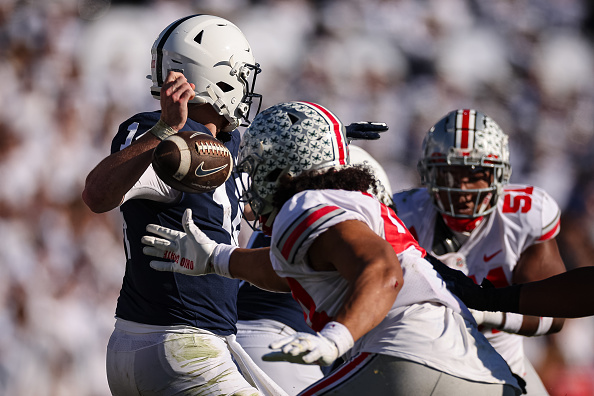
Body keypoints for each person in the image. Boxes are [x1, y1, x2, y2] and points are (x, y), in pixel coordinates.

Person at [142, 101, 523, 395]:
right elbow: (290, 269)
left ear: (282, 172)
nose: (253, 186)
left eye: (258, 170)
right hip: (487, 374)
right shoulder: (351, 207)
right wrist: (216, 259)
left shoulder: (304, 204)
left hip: (411, 360)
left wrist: (335, 338)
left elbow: (383, 272)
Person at [81, 14, 278, 396]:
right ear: (218, 76)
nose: (247, 86)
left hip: (185, 343)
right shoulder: (161, 136)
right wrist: (163, 131)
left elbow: (255, 207)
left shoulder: (229, 145)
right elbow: (97, 195)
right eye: (241, 75)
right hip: (176, 341)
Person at [392, 108, 567, 396]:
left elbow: (552, 314)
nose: (461, 188)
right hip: (419, 355)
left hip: (500, 364)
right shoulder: (403, 214)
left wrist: (485, 313)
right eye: (448, 173)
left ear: (499, 175)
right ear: (429, 173)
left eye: (474, 174)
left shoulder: (525, 214)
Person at [235, 145, 394, 395]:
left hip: (233, 335)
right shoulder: (337, 227)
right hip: (284, 345)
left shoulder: (288, 215)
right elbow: (382, 284)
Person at [429, 257, 594, 318]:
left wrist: (486, 304)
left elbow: (554, 323)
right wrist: (487, 300)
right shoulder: (411, 206)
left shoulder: (526, 212)